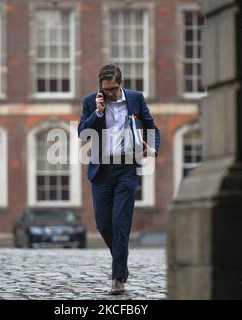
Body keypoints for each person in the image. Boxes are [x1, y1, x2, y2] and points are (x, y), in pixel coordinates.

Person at [78, 64, 160, 295]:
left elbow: (151, 126)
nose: (111, 94)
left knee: (120, 223)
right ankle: (122, 263)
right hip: (102, 171)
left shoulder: (135, 99)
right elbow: (82, 134)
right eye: (106, 90)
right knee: (103, 224)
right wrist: (99, 113)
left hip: (126, 168)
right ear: (100, 88)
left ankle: (117, 278)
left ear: (121, 84)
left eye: (114, 89)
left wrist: (151, 150)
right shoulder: (91, 101)